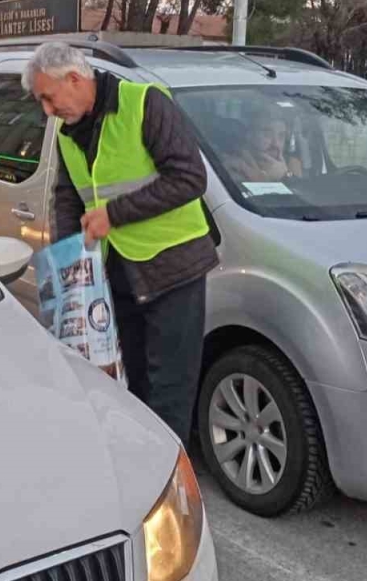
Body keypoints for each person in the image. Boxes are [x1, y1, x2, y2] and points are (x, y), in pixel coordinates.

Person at [23, 42, 218, 441]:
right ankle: (141, 469)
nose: (46, 110)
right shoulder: (67, 132)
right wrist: (69, 258)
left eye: (48, 97)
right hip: (118, 276)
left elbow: (190, 179)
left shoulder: (145, 104)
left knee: (170, 392)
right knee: (132, 387)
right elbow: (68, 196)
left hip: (172, 271)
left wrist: (113, 214)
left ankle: (170, 487)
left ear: (74, 79)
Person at [230, 111, 302, 182]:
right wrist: (263, 179)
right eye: (267, 134)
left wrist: (286, 175)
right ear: (250, 135)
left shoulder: (291, 164)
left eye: (281, 136)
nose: (276, 143)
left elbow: (299, 191)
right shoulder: (235, 165)